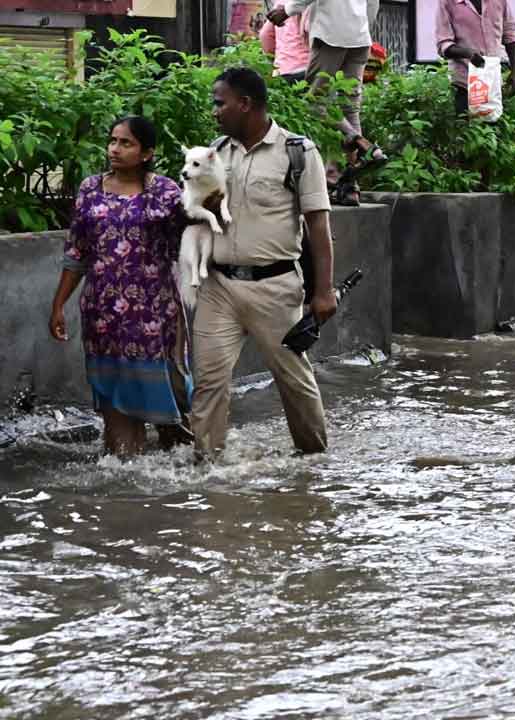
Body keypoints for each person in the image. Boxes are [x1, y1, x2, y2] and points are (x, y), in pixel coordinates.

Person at [191, 67, 336, 457]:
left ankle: (314, 462)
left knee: (293, 380)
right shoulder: (215, 153)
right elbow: (197, 215)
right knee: (209, 381)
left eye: (220, 103)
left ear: (245, 104)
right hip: (219, 287)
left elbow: (318, 225)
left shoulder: (297, 153)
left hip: (275, 287)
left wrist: (324, 291)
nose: (215, 111)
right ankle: (206, 466)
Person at [49, 116, 192, 456]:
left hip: (153, 313)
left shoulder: (165, 192)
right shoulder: (90, 189)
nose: (114, 149)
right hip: (103, 314)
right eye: (112, 141)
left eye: (126, 143)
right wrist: (58, 306)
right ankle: (124, 464)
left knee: (170, 413)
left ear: (147, 153)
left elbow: (189, 241)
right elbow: (77, 252)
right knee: (117, 423)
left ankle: (179, 453)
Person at [270, 0, 388, 206]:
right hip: (360, 37)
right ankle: (348, 188)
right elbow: (372, 3)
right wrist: (360, 26)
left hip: (331, 34)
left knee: (314, 103)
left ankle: (361, 142)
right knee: (350, 110)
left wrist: (287, 10)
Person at [435, 0, 515, 118]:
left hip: (493, 83)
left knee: (492, 125)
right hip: (464, 84)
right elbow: (444, 44)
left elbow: (510, 35)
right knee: (466, 126)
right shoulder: (448, 2)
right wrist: (468, 54)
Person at [259, 3, 311, 82]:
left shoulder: (279, 5)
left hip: (280, 71)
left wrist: (277, 59)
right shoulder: (306, 4)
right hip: (305, 67)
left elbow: (265, 35)